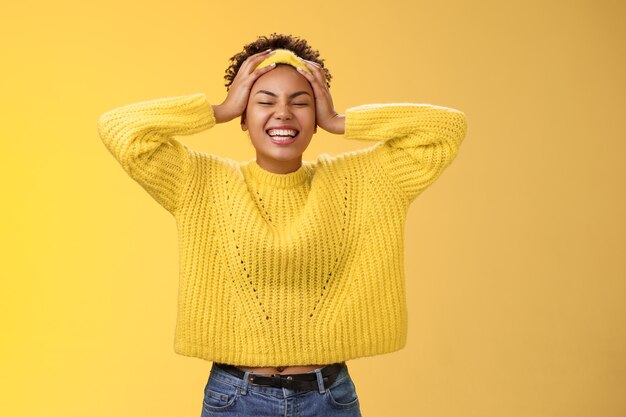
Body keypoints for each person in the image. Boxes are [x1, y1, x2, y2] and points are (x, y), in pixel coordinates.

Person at [98, 33, 467, 417]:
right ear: (245, 115)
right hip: (235, 398)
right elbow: (120, 129)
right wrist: (219, 109)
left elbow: (445, 130)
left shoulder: (363, 180)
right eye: (265, 101)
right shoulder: (198, 181)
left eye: (301, 102)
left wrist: (341, 121)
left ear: (317, 115)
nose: (284, 113)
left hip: (328, 399)